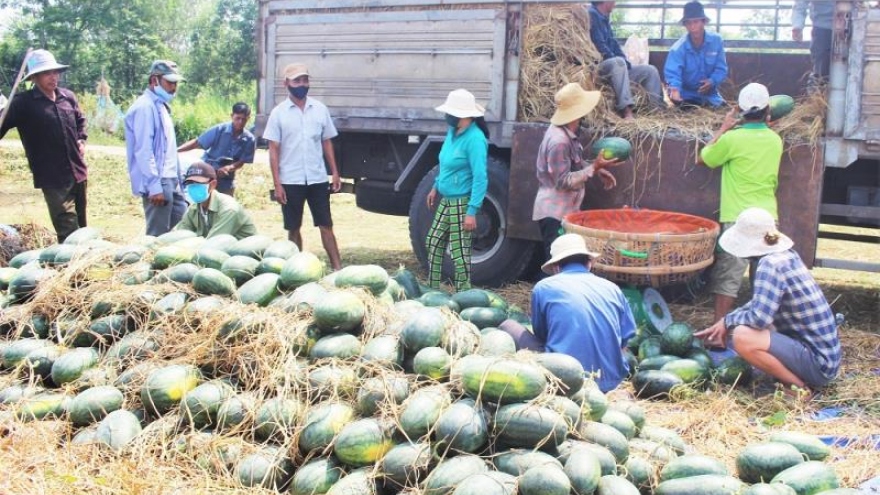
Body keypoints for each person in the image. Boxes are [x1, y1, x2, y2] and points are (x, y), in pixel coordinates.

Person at [695, 207, 841, 393]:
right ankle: (794, 378)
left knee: (742, 336)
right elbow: (763, 303)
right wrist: (725, 320)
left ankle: (799, 388)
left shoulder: (769, 265)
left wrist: (729, 321)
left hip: (818, 364)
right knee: (753, 328)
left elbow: (759, 318)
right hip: (825, 360)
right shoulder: (786, 256)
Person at [498, 234, 637, 393]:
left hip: (564, 380)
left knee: (508, 325)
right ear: (589, 263)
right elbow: (625, 341)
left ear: (556, 267)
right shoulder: (613, 289)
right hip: (611, 382)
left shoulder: (544, 287)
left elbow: (542, 335)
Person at [698, 82, 782, 322]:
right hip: (768, 218)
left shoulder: (732, 139)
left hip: (738, 218)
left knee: (728, 278)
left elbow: (702, 159)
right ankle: (761, 331)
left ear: (741, 113)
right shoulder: (775, 140)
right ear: (768, 111)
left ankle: (718, 332)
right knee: (764, 279)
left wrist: (723, 128)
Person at [0, 49, 89, 243]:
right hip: (52, 177)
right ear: (34, 77)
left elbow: (80, 120)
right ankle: (69, 268)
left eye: (55, 72)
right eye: (47, 73)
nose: (53, 77)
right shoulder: (22, 104)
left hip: (78, 172)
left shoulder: (68, 97)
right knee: (68, 228)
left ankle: (83, 265)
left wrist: (81, 140)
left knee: (82, 228)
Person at [264, 63, 343, 270]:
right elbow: (274, 150)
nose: (302, 84)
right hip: (291, 180)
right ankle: (296, 270)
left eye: (305, 80)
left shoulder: (319, 109)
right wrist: (277, 184)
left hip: (317, 178)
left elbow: (327, 142)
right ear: (286, 84)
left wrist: (334, 172)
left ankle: (337, 268)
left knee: (326, 225)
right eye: (297, 81)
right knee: (293, 228)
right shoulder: (278, 113)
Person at [532, 83, 623, 260]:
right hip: (554, 213)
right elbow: (562, 181)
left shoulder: (567, 134)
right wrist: (593, 168)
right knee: (557, 264)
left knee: (564, 261)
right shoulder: (559, 141)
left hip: (565, 211)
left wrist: (595, 170)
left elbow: (572, 162)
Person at [425, 89, 489, 291]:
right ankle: (433, 289)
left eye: (451, 112)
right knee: (433, 241)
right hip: (446, 199)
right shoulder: (453, 132)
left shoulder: (476, 139)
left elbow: (480, 177)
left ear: (464, 116)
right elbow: (445, 163)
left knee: (460, 254)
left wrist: (472, 211)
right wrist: (436, 186)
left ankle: (464, 296)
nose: (447, 116)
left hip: (462, 202)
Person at [124, 60, 188, 237]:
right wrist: (154, 186)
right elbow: (144, 150)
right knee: (157, 234)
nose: (174, 88)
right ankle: (153, 263)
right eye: (170, 83)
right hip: (159, 181)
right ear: (154, 80)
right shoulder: (144, 107)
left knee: (183, 221)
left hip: (171, 179)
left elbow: (167, 148)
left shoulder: (161, 106)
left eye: (176, 83)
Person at [588, 1, 665, 119]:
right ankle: (626, 111)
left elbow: (614, 44)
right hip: (600, 67)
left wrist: (626, 62)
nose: (615, 2)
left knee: (650, 70)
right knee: (618, 62)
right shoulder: (592, 15)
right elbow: (600, 46)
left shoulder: (605, 18)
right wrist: (620, 61)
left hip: (617, 66)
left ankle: (656, 111)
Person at [176, 102, 256, 197]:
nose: (240, 122)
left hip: (226, 177)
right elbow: (198, 142)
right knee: (201, 200)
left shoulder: (249, 139)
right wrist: (176, 151)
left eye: (244, 119)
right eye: (238, 118)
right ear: (232, 116)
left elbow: (242, 161)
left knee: (225, 204)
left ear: (248, 119)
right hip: (207, 172)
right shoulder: (219, 129)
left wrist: (229, 168)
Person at [664, 1, 729, 108]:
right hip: (686, 95)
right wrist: (675, 90)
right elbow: (673, 73)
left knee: (722, 111)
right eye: (689, 23)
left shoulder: (716, 41)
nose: (693, 27)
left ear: (703, 22)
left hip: (710, 95)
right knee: (686, 110)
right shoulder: (677, 49)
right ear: (685, 25)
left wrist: (712, 81)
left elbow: (721, 69)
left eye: (696, 22)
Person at [174, 161, 256, 239]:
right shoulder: (194, 209)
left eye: (198, 183)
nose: (193, 187)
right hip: (214, 250)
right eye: (190, 183)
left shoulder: (228, 209)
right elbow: (179, 233)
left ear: (212, 185)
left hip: (243, 251)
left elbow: (214, 242)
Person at [792, 1, 834, 89]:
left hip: (852, 25)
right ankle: (819, 94)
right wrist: (797, 27)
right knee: (821, 69)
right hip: (822, 28)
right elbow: (800, 5)